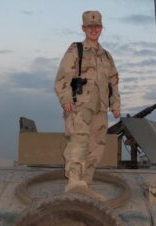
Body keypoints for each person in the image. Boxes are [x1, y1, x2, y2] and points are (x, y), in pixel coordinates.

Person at [54, 11, 121, 201]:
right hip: (80, 105)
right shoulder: (76, 49)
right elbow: (63, 75)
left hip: (100, 107)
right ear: (83, 29)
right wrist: (65, 98)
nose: (94, 30)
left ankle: (86, 185)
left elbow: (113, 82)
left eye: (97, 26)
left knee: (96, 145)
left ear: (101, 29)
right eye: (90, 27)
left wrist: (115, 105)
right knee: (78, 140)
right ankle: (74, 181)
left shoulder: (107, 56)